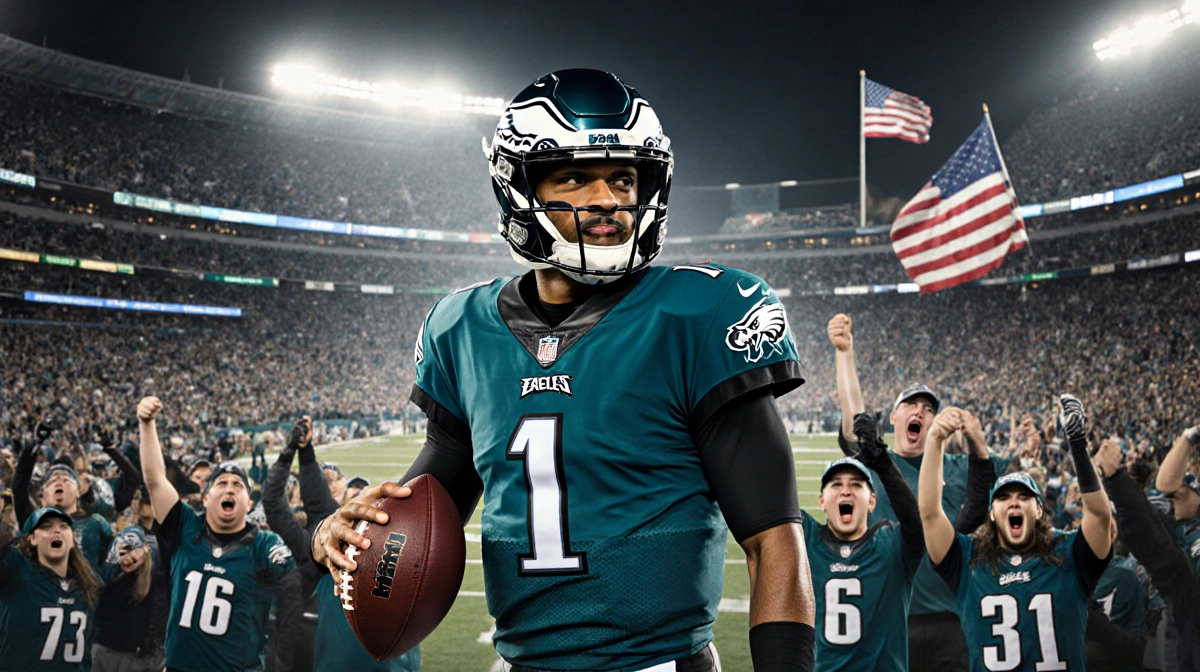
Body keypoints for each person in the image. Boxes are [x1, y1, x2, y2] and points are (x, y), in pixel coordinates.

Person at [313, 68, 816, 672]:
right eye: (576, 176)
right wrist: (343, 532)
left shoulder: (701, 313)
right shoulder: (461, 328)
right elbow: (424, 506)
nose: (606, 200)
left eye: (623, 178)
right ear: (517, 186)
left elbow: (773, 542)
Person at [827, 312, 1012, 670]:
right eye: (911, 405)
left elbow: (992, 485)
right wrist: (845, 354)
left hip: (951, 617)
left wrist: (977, 439)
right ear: (893, 417)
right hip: (890, 613)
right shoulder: (875, 465)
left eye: (928, 409)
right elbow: (854, 418)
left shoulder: (956, 467)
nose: (920, 412)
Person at [920, 396, 1112, 672]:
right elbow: (929, 514)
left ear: (1038, 510)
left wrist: (1078, 445)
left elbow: (1099, 516)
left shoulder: (1068, 553)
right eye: (1003, 498)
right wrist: (935, 440)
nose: (1014, 502)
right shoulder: (968, 560)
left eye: (1024, 496)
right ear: (992, 513)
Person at [137, 396, 300, 672]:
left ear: (249, 502)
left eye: (238, 485)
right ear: (206, 497)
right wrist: (146, 423)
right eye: (221, 483)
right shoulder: (185, 526)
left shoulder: (264, 544)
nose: (229, 488)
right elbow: (154, 480)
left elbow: (295, 579)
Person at [262, 417, 420, 672]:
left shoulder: (388, 548)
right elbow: (316, 502)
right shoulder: (329, 548)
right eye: (353, 496)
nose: (361, 501)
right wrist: (304, 451)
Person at [804, 413, 923, 671]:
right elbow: (770, 495)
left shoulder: (891, 545)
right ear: (822, 501)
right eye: (836, 485)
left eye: (856, 485)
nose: (845, 490)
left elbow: (917, 524)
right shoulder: (808, 541)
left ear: (871, 502)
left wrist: (883, 462)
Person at [1098, 430, 1200, 669]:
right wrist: (1190, 435)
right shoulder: (1170, 520)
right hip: (1176, 628)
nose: (1178, 494)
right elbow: (1165, 484)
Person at [0, 506, 101, 671]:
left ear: (73, 540)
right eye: (47, 527)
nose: (56, 531)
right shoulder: (17, 570)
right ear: (32, 539)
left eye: (63, 527)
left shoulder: (90, 583)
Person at [13, 444, 114, 574]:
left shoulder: (96, 524)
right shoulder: (33, 523)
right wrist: (33, 445)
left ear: (78, 492)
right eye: (52, 481)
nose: (59, 482)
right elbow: (19, 489)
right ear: (42, 494)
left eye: (66, 480)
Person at [91, 526, 170, 672]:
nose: (126, 556)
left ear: (145, 549)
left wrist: (149, 652)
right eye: (122, 551)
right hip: (108, 653)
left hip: (139, 659)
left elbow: (158, 621)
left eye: (132, 550)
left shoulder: (156, 580)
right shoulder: (115, 581)